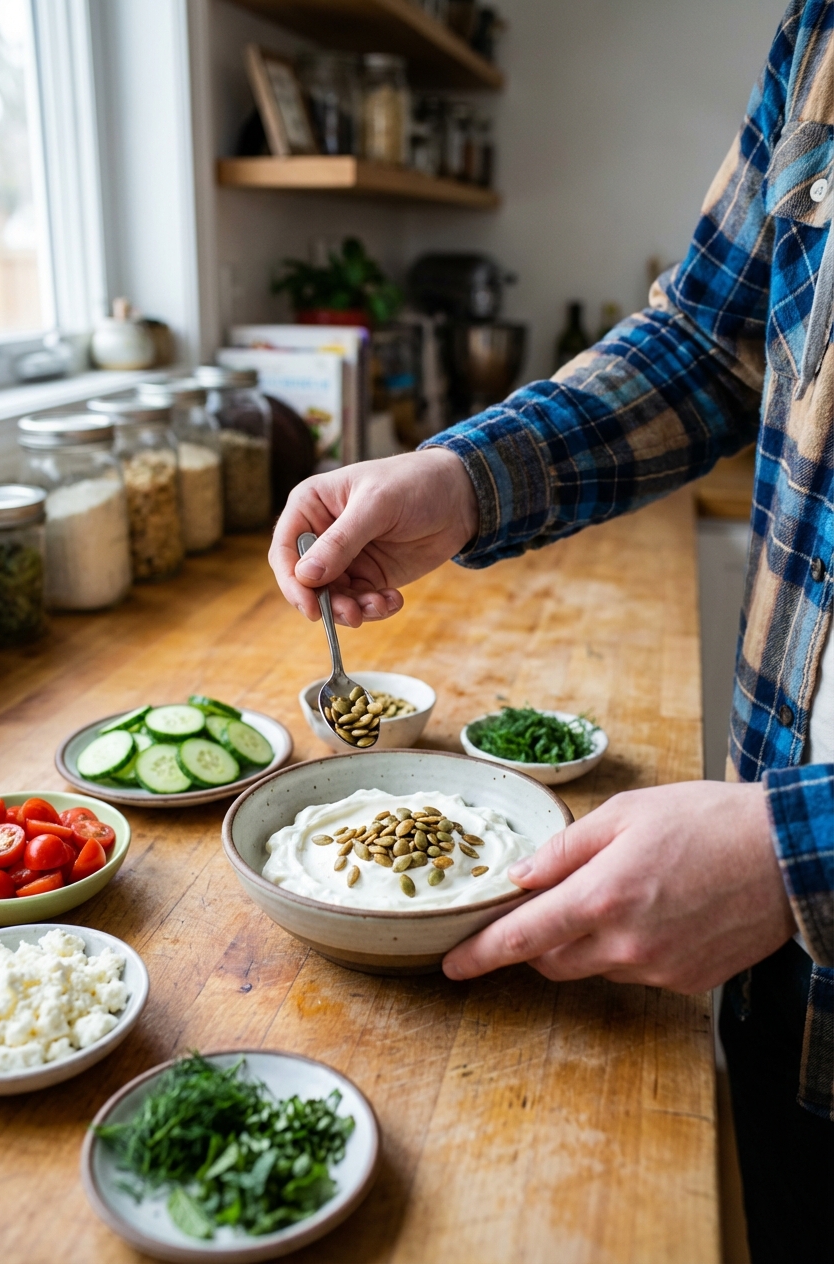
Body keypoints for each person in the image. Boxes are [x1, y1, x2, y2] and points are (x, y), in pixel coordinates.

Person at [269, 2, 833, 1259]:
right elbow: (709, 338)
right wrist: (460, 477)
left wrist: (800, 850)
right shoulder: (820, 34)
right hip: (787, 969)